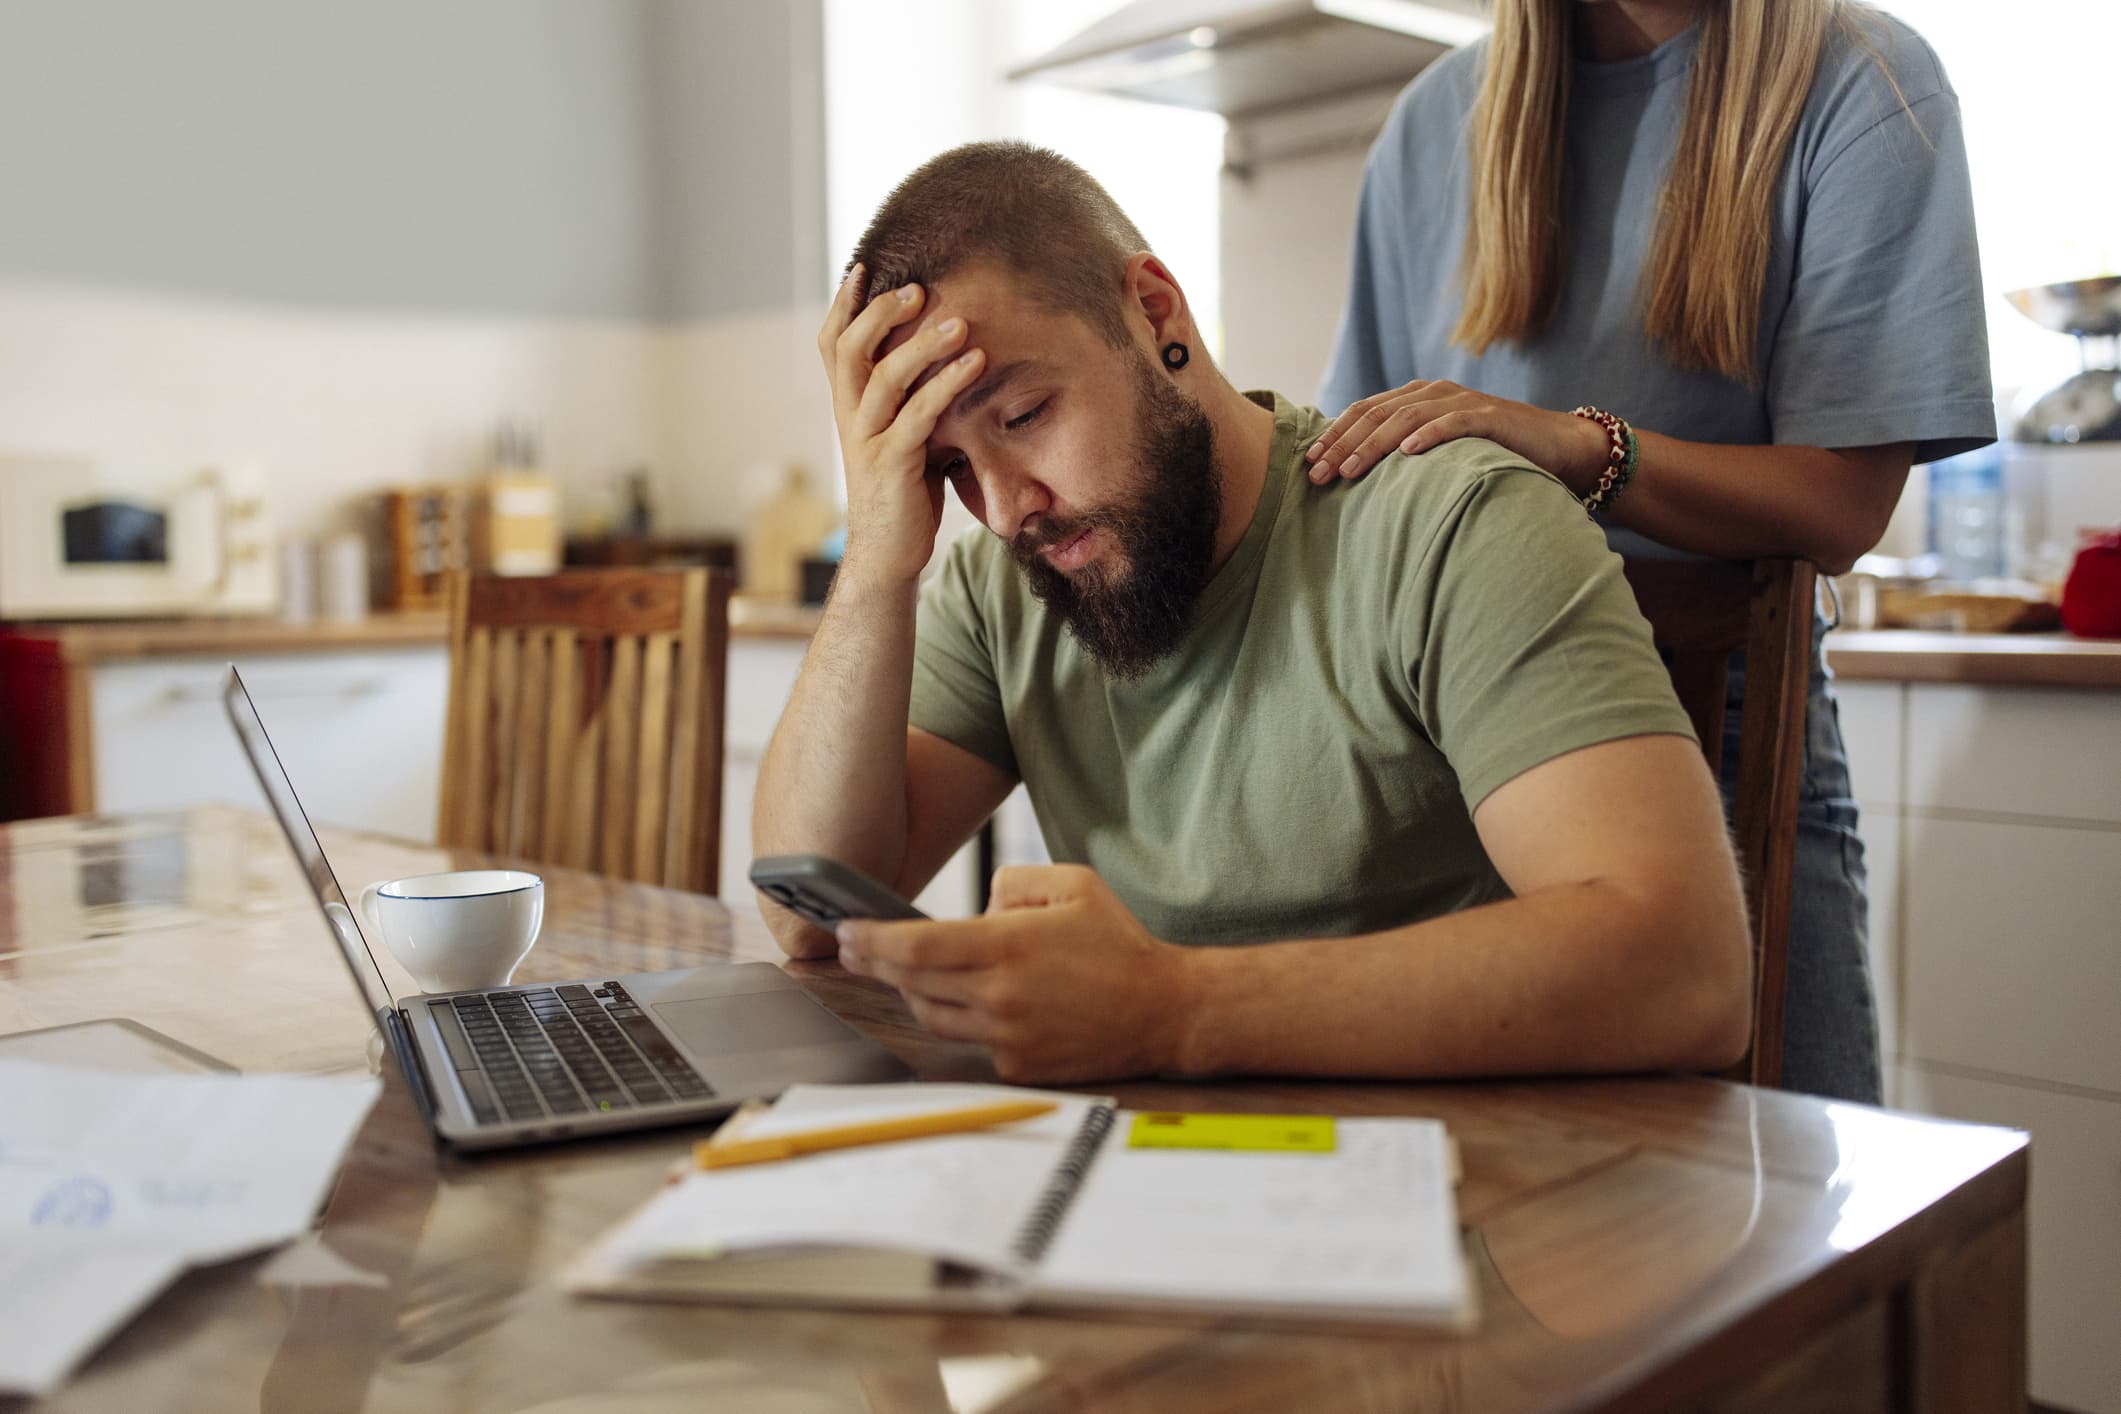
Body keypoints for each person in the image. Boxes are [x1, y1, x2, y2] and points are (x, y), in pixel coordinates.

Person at [753, 141, 1751, 1086]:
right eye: (951, 467)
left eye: (1023, 418)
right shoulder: (1001, 584)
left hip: (1481, 1189)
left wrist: (1170, 1008)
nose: (1009, 506)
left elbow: (1687, 967)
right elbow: (807, 908)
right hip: (1163, 1176)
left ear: (1154, 312)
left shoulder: (1451, 523)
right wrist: (881, 551)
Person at [1313, 0, 1994, 1103]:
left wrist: (1584, 450)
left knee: (1789, 1221)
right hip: (1439, 756)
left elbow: (1842, 505)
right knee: (1492, 1228)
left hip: (1730, 749)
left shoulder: (1864, 81)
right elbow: (1353, 488)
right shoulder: (1434, 124)